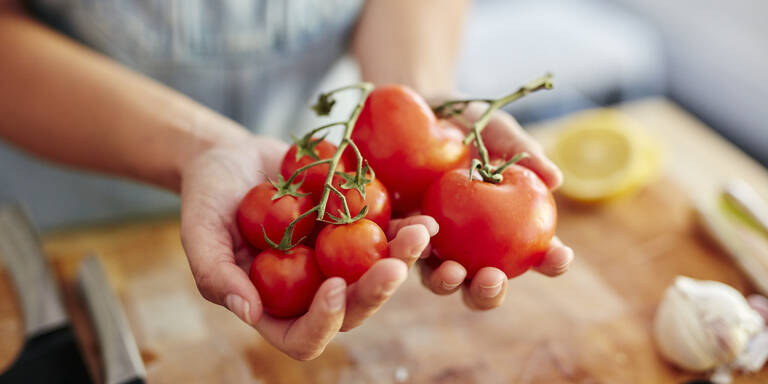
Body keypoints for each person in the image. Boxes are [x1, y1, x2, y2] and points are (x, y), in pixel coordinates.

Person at [0, 0, 573, 360]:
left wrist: (413, 96)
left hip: (327, 170)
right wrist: (199, 148)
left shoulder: (342, 196)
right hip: (72, 207)